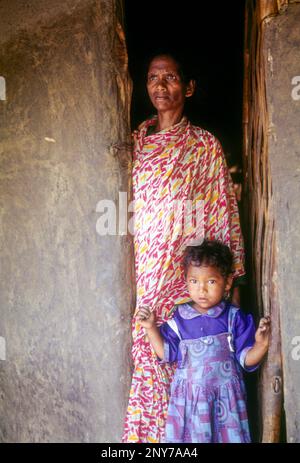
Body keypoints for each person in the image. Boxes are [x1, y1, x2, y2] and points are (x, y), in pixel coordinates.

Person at [123, 52, 246, 443]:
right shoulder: (133, 145)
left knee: (187, 363)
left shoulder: (204, 146)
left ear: (188, 87)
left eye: (171, 77)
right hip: (144, 273)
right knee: (148, 348)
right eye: (153, 77)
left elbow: (222, 212)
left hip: (186, 279)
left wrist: (229, 282)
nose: (160, 85)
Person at [136, 240, 270, 443]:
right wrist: (151, 328)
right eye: (194, 281)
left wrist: (260, 345)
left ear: (227, 283)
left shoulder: (233, 318)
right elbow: (166, 353)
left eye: (211, 282)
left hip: (227, 403)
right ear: (186, 281)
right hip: (190, 404)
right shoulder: (179, 319)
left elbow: (246, 360)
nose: (202, 290)